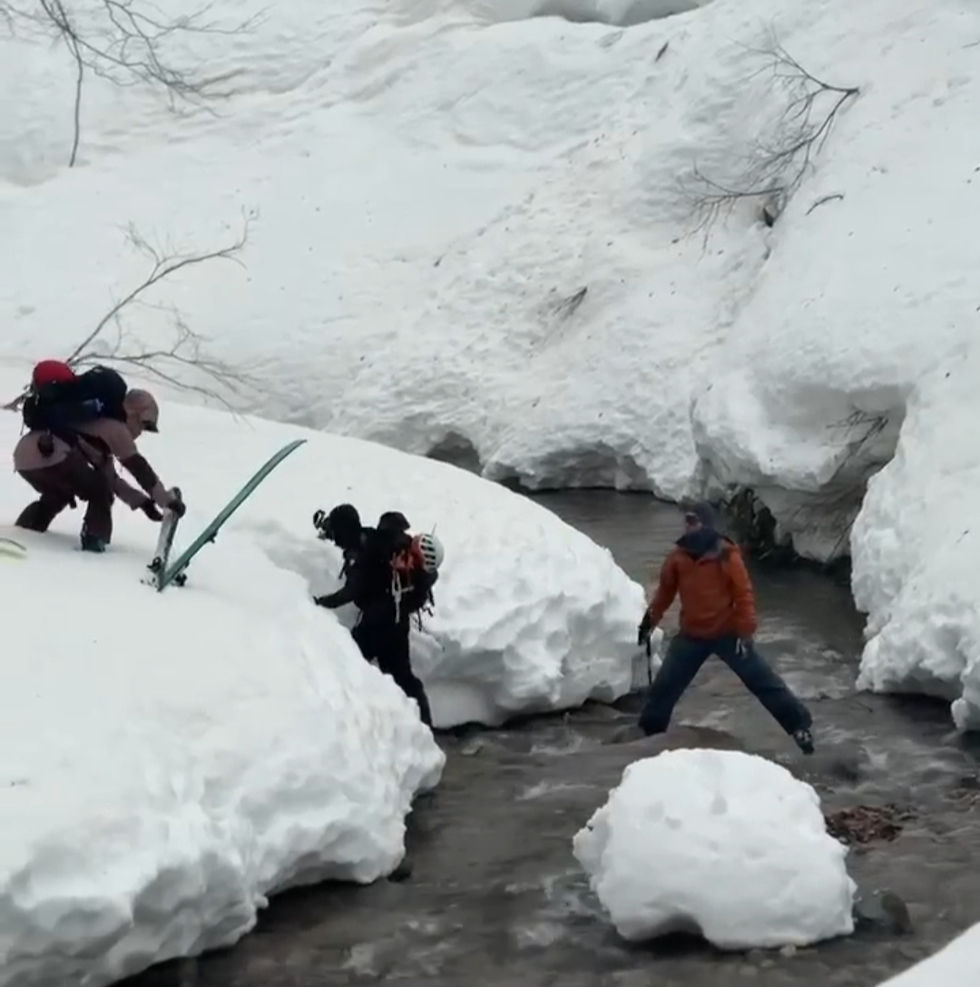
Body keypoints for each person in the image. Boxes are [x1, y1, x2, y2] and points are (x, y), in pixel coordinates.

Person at [637, 501, 814, 754]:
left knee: (762, 681)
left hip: (728, 634)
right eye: (686, 521)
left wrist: (745, 631)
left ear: (706, 524)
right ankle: (649, 734)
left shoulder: (726, 554)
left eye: (693, 521)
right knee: (665, 687)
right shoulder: (678, 558)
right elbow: (664, 594)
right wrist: (649, 622)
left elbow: (743, 594)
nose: (688, 526)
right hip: (692, 635)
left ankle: (799, 726)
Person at [13, 388, 184, 553]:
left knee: (60, 494)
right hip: (53, 456)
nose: (140, 432)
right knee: (100, 490)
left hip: (26, 459)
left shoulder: (99, 424)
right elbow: (139, 468)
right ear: (133, 415)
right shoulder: (115, 428)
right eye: (143, 425)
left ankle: (26, 531)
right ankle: (94, 540)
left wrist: (143, 503)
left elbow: (112, 478)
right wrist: (166, 500)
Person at [313, 504, 434, 727]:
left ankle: (354, 722)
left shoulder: (361, 550)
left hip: (377, 620)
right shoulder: (372, 538)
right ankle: (423, 724)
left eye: (336, 534)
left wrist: (320, 603)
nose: (336, 540)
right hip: (398, 617)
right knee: (401, 674)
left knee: (350, 663)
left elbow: (353, 591)